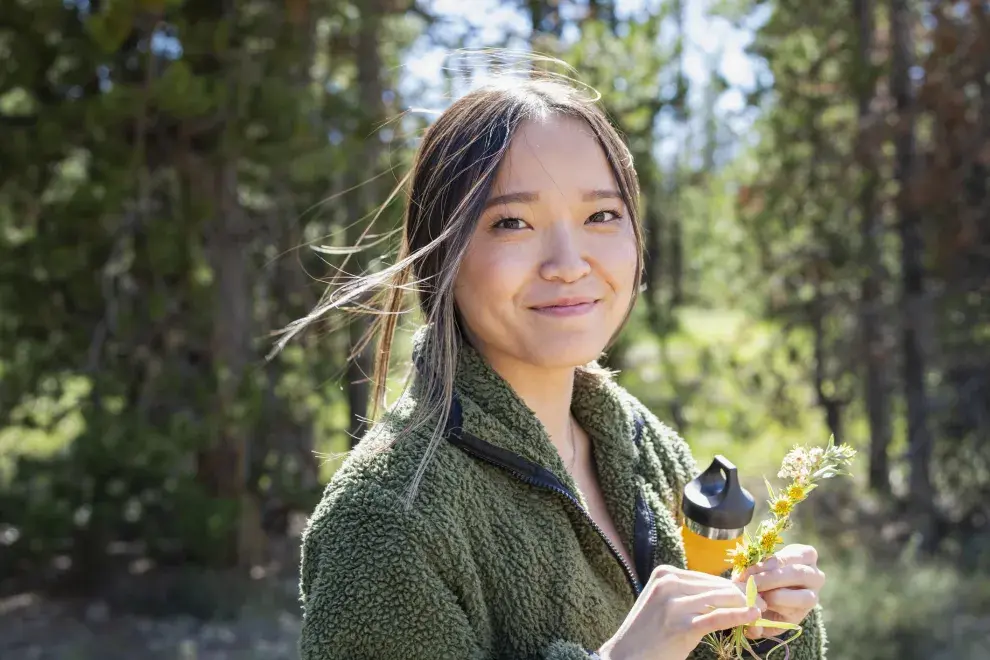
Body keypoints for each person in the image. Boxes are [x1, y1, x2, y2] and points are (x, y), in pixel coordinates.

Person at [291, 74, 828, 660]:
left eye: (601, 215)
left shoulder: (638, 442)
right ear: (441, 254)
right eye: (512, 222)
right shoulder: (386, 518)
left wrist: (767, 631)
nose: (569, 264)